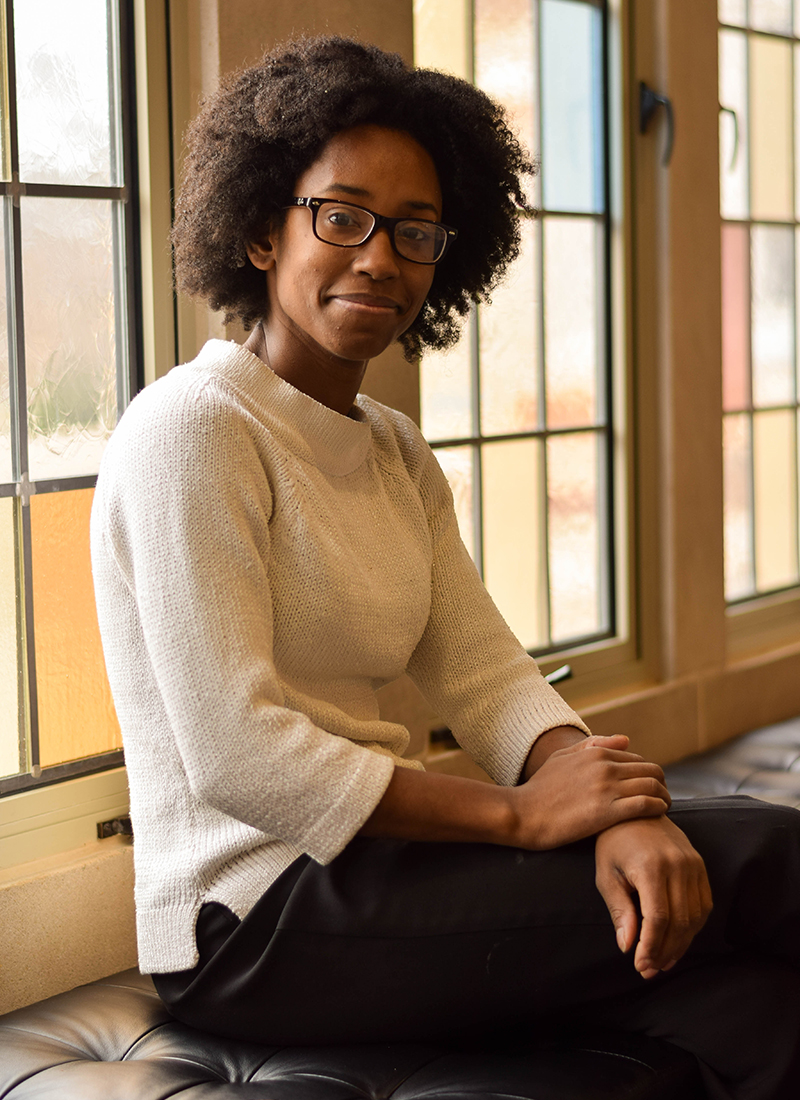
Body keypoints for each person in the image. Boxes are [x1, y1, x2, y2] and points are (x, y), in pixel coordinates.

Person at [91, 35, 800, 1100]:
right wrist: (523, 816)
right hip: (250, 916)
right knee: (770, 856)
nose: (379, 256)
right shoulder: (192, 429)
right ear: (255, 230)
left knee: (749, 1006)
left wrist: (615, 806)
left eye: (412, 230)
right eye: (340, 216)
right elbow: (240, 753)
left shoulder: (390, 446)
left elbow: (483, 670)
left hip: (374, 876)